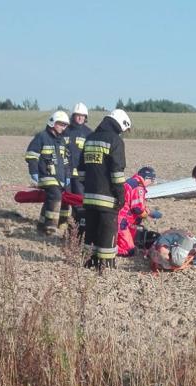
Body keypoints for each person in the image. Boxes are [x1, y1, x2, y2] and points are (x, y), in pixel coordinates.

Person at [78, 109, 131, 269]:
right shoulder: (115, 141)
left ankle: (88, 262)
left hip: (88, 197)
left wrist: (89, 186)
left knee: (91, 231)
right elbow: (117, 172)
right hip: (108, 199)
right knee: (108, 232)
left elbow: (81, 171)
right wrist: (120, 195)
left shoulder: (89, 139)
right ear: (120, 124)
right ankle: (106, 266)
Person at [25, 111, 71, 235]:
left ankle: (41, 224)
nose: (63, 127)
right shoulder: (42, 137)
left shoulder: (61, 141)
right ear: (52, 123)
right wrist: (34, 172)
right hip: (47, 176)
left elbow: (65, 160)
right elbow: (31, 155)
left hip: (60, 177)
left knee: (50, 199)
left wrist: (68, 175)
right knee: (55, 196)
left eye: (65, 125)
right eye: (60, 124)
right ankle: (50, 226)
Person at [116, 166, 162, 256]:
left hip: (123, 219)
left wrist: (146, 210)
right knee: (130, 250)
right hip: (122, 221)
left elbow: (134, 203)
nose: (150, 184)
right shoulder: (138, 187)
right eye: (151, 181)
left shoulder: (131, 182)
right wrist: (148, 214)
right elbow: (137, 209)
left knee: (134, 241)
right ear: (147, 178)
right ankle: (106, 250)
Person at [64, 102, 93, 235]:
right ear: (73, 116)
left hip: (80, 176)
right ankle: (60, 224)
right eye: (78, 115)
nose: (80, 118)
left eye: (83, 116)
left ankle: (76, 228)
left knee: (79, 202)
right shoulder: (65, 131)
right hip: (64, 173)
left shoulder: (89, 133)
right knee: (63, 200)